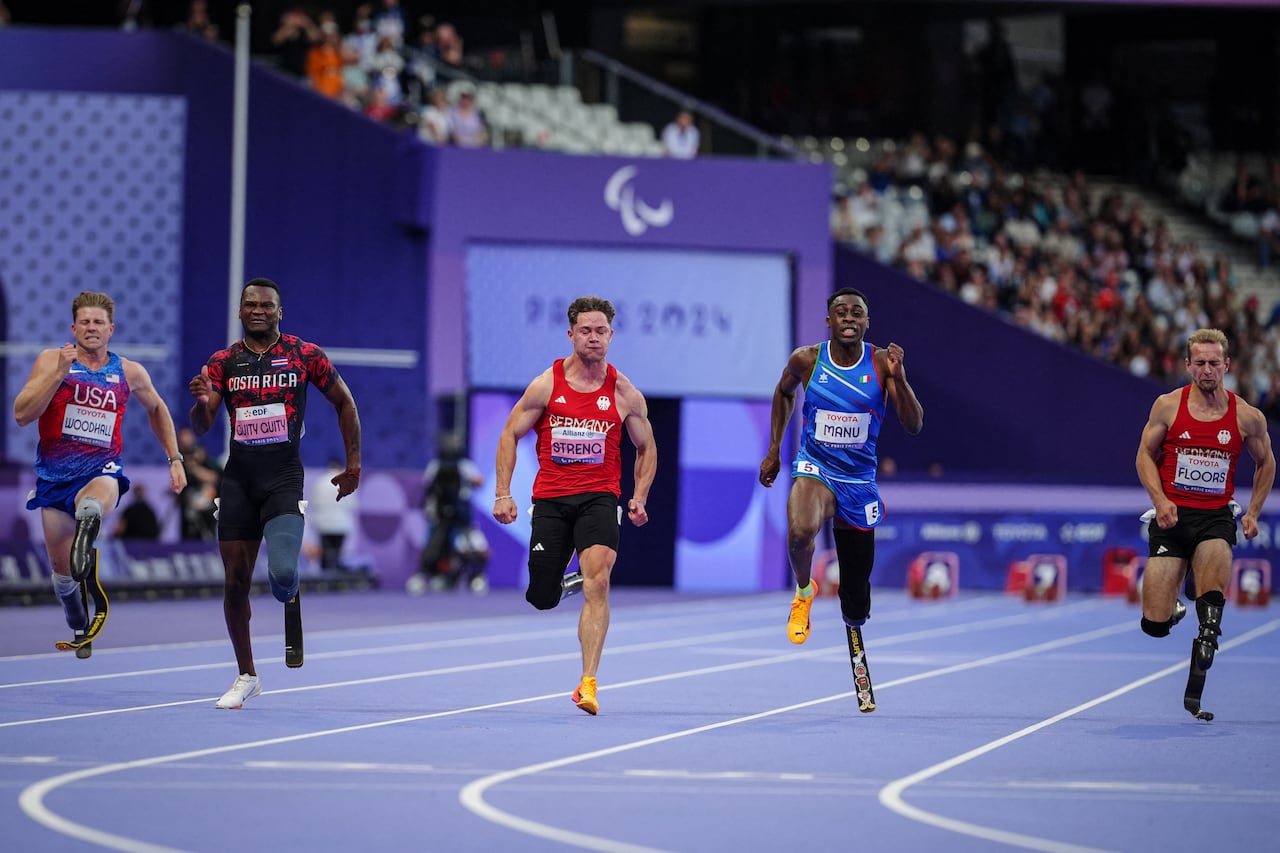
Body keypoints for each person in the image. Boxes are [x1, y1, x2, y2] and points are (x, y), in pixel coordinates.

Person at [189, 278, 361, 710]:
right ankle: (247, 675)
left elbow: (345, 403)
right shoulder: (222, 362)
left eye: (267, 305)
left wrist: (353, 464)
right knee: (234, 583)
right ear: (240, 311)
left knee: (282, 574)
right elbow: (203, 424)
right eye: (251, 304)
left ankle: (290, 588)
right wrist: (202, 401)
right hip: (238, 480)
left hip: (284, 476)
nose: (259, 310)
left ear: (279, 312)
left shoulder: (305, 356)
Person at [758, 287, 924, 713]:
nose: (849, 317)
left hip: (859, 482)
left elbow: (914, 425)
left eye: (858, 313)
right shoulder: (807, 360)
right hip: (815, 468)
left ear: (867, 323)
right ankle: (803, 590)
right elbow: (783, 392)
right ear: (828, 320)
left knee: (857, 600)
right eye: (841, 311)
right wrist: (775, 449)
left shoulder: (882, 363)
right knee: (800, 532)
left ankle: (852, 617)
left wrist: (900, 379)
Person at [493, 295, 657, 716]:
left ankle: (588, 683)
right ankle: (568, 583)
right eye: (585, 330)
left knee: (599, 582)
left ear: (611, 336)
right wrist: (503, 492)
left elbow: (646, 447)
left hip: (600, 498)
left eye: (601, 330)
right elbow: (510, 434)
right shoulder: (546, 385)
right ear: (571, 335)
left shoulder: (623, 392)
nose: (593, 337)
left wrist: (638, 496)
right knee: (541, 597)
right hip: (551, 499)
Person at [13, 291, 187, 655]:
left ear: (111, 329)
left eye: (99, 323)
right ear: (73, 327)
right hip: (54, 479)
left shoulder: (129, 371)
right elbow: (22, 414)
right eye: (85, 322)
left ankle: (86, 538)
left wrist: (175, 458)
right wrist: (59, 374)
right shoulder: (51, 360)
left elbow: (157, 409)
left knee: (92, 504)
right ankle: (78, 620)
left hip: (101, 469)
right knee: (64, 579)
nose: (92, 328)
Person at [1135, 327, 1275, 719]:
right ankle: (1175, 609)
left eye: (1215, 363)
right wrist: (1160, 501)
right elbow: (1144, 456)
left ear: (1227, 365)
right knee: (1154, 624)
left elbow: (1267, 463)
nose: (1208, 370)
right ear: (1188, 366)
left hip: (1215, 517)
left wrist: (1252, 512)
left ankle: (1207, 638)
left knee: (1211, 604)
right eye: (1200, 363)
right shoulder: (1167, 406)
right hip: (1172, 516)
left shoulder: (1247, 416)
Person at [420, 434, 490, 593]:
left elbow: (426, 483)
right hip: (443, 512)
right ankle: (435, 575)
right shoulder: (443, 466)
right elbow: (479, 482)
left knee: (469, 545)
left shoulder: (454, 466)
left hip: (457, 512)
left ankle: (470, 576)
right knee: (437, 543)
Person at [308, 458, 359, 571]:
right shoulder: (346, 482)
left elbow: (315, 503)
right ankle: (335, 573)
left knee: (326, 552)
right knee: (336, 553)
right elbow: (353, 505)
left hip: (323, 524)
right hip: (341, 523)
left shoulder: (320, 482)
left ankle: (325, 574)